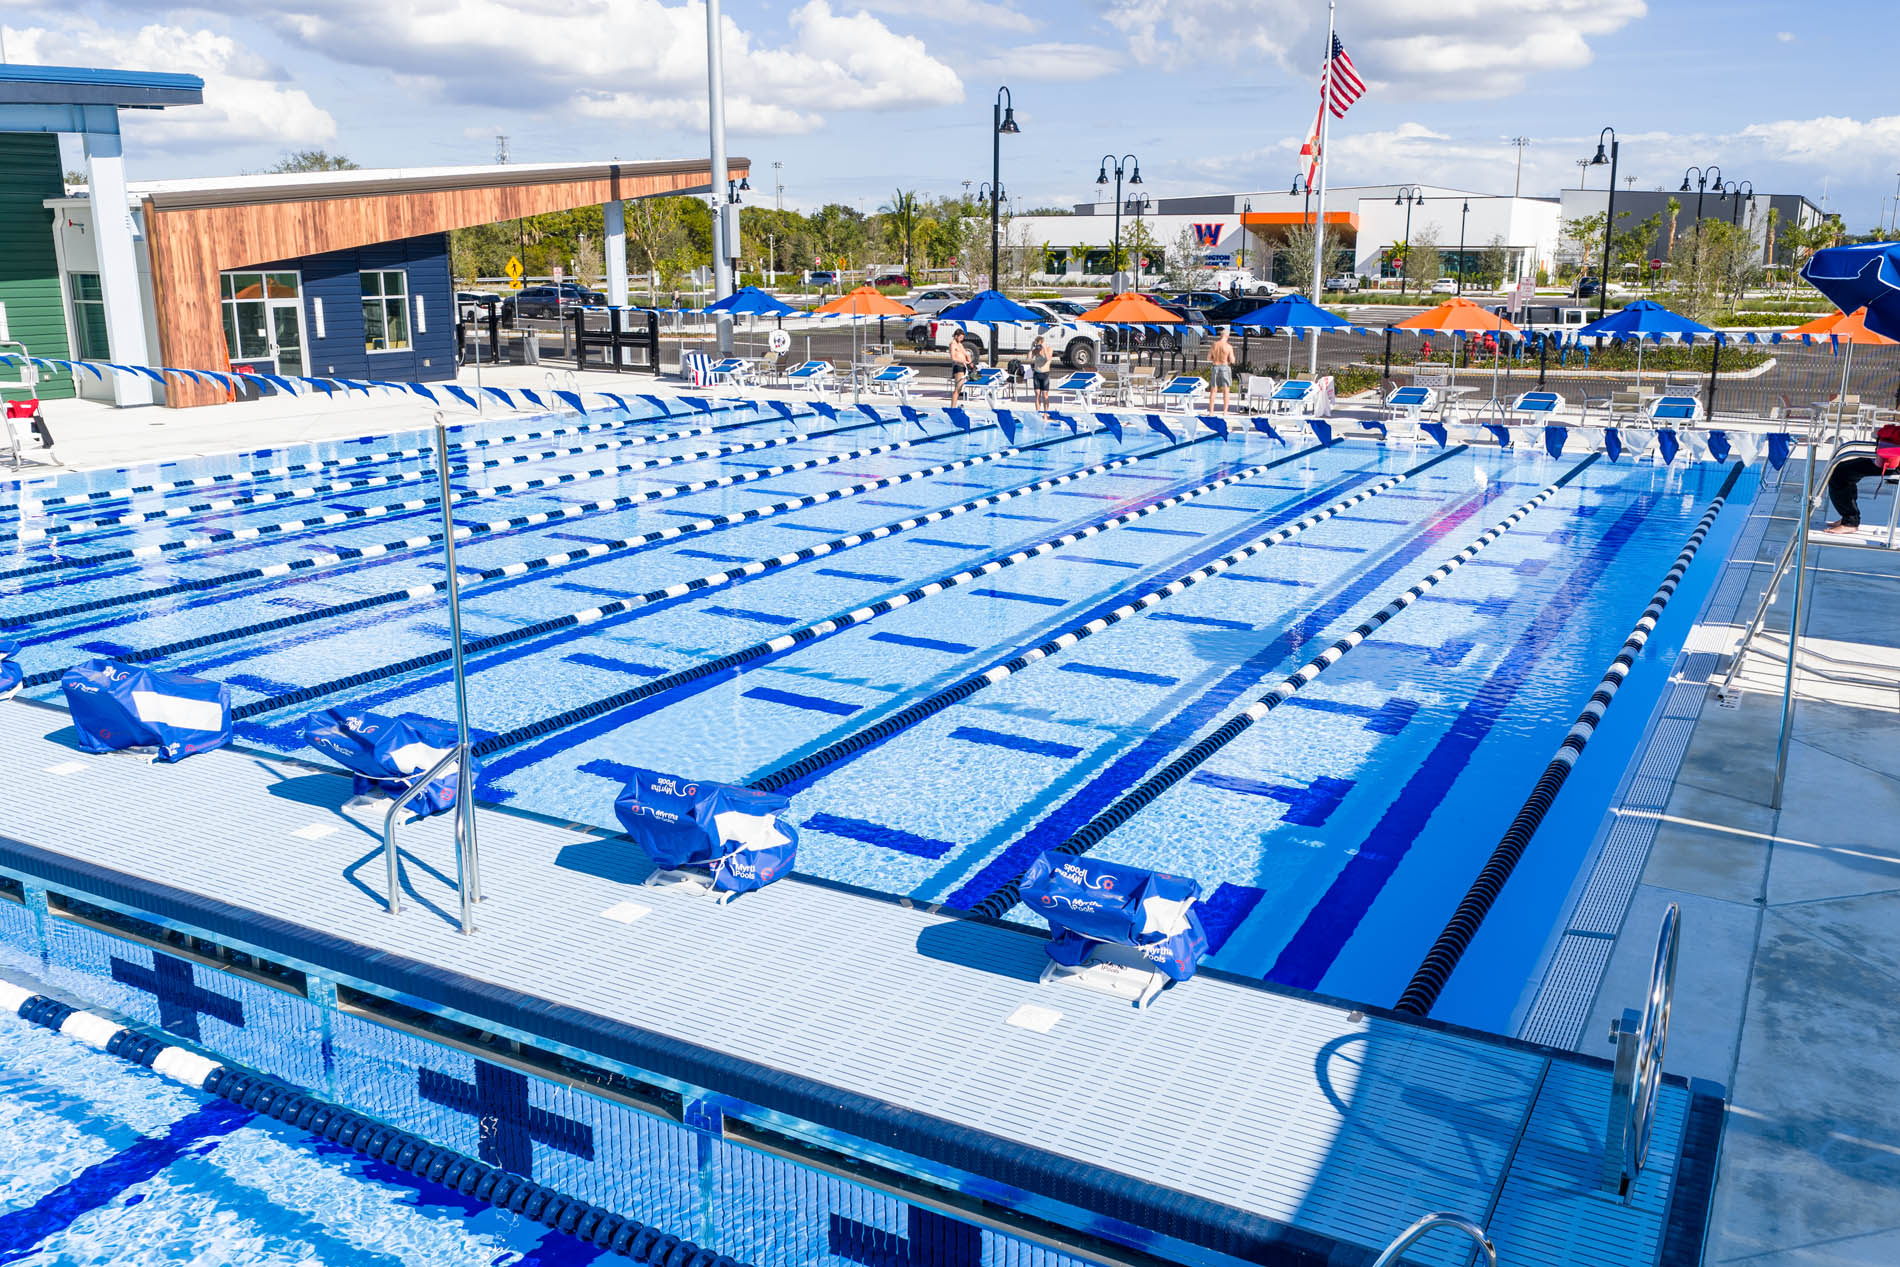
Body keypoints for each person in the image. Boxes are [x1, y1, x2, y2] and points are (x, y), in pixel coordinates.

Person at [1824, 423, 1900, 533]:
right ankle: (1849, 519)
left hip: (1894, 463)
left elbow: (1888, 432)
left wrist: (1886, 432)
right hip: (1890, 457)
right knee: (1841, 469)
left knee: (1840, 474)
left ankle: (1850, 522)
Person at [1206, 326, 1237, 413]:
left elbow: (1208, 358)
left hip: (1215, 367)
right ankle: (1225, 411)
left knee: (1213, 390)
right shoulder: (1228, 346)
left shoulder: (1214, 345)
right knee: (1226, 390)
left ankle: (1211, 411)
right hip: (1224, 367)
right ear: (1227, 336)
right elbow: (1232, 360)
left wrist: (1215, 358)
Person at [947, 329, 974, 406]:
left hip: (964, 366)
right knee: (957, 388)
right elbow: (953, 358)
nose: (961, 339)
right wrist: (963, 361)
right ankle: (953, 407)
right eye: (960, 337)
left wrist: (970, 361)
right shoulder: (953, 344)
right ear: (956, 336)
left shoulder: (960, 344)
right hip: (958, 366)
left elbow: (966, 354)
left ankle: (954, 406)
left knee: (960, 388)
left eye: (962, 338)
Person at [1028, 336, 1052, 411]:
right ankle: (1038, 413)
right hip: (1037, 374)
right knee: (1037, 394)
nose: (1039, 347)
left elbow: (1047, 358)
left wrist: (1044, 347)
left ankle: (1045, 413)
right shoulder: (1036, 351)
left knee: (1045, 395)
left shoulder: (1049, 349)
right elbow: (1029, 358)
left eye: (1040, 345)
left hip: (1045, 375)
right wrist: (1031, 348)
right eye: (1037, 345)